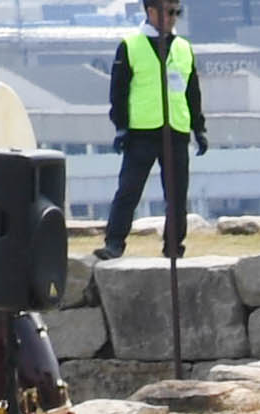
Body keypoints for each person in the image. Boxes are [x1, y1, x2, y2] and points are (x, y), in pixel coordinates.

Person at [100, 0, 204, 267]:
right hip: (142, 131)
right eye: (169, 12)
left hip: (176, 129)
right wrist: (120, 126)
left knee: (177, 194)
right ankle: (114, 243)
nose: (173, 18)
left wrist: (198, 127)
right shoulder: (131, 46)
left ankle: (173, 245)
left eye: (176, 12)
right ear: (151, 12)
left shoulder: (183, 48)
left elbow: (192, 91)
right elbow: (118, 91)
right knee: (129, 190)